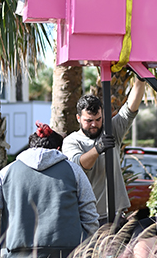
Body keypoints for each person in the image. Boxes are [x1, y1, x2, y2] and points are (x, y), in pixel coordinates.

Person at [0, 122, 99, 258]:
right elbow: (90, 216)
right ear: (58, 149)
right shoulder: (74, 171)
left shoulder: (7, 172)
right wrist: (86, 250)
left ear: (30, 147)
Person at [62, 77, 146, 225]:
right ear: (78, 118)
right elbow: (79, 165)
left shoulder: (111, 130)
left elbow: (130, 109)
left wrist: (140, 80)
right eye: (88, 121)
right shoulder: (71, 141)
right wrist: (98, 148)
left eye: (98, 119)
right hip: (89, 217)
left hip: (116, 214)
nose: (94, 124)